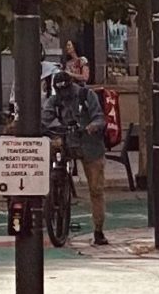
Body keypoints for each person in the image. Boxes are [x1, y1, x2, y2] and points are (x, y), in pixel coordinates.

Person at [42, 70, 110, 246]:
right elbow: (45, 118)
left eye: (67, 91)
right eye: (60, 92)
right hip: (66, 143)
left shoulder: (87, 95)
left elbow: (99, 118)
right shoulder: (54, 100)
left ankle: (98, 230)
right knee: (50, 151)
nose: (64, 96)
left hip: (90, 146)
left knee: (96, 189)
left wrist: (91, 127)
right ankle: (53, 194)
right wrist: (54, 128)